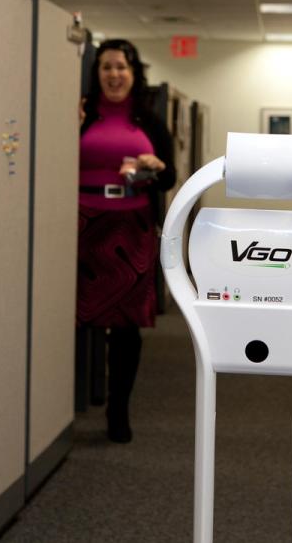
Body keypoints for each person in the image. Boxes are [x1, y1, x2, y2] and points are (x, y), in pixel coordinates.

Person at [78, 39, 176, 443]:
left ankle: (118, 410)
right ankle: (63, 404)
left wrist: (155, 167)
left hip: (131, 226)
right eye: (106, 67)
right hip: (81, 225)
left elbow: (169, 178)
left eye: (121, 67)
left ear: (134, 73)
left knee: (125, 329)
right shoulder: (81, 114)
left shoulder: (149, 120)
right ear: (96, 72)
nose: (114, 75)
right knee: (77, 321)